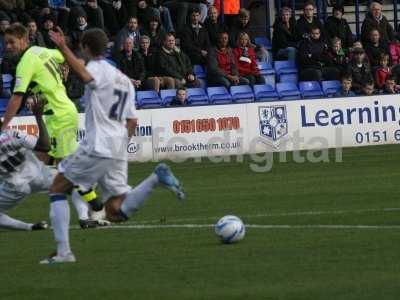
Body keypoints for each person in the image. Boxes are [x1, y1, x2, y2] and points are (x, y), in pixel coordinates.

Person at [44, 27, 185, 263]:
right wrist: (119, 148)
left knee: (57, 188)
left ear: (86, 48)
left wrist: (62, 46)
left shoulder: (96, 69)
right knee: (115, 211)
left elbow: (85, 76)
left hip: (98, 142)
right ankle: (155, 179)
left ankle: (63, 253)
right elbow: (132, 121)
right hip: (118, 143)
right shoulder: (124, 80)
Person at [1, 24, 102, 215]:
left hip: (57, 117)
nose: (8, 46)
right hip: (62, 112)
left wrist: (4, 125)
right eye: (6, 43)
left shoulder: (26, 62)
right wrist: (64, 66)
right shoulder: (42, 51)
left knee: (62, 168)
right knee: (43, 166)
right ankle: (88, 202)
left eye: (11, 42)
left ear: (24, 39)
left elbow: (17, 97)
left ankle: (93, 203)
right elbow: (66, 58)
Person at [0, 98, 49, 231]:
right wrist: (38, 117)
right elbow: (45, 147)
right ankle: (88, 215)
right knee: (73, 184)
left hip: (16, 187)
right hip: (40, 176)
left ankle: (29, 227)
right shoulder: (13, 134)